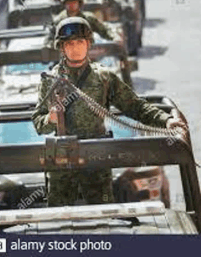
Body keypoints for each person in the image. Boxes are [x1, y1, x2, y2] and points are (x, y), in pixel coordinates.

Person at [32, 17, 188, 207]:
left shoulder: (103, 77)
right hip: (61, 160)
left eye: (80, 42)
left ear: (88, 44)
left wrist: (166, 121)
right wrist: (51, 118)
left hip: (97, 157)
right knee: (58, 220)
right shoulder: (50, 80)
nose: (75, 48)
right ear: (61, 47)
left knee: (104, 215)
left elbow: (135, 106)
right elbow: (38, 123)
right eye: (69, 43)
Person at [45, 0, 113, 47]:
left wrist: (113, 37)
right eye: (68, 2)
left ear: (79, 3)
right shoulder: (58, 21)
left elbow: (105, 31)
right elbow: (49, 39)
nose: (71, 5)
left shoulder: (89, 19)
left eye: (74, 2)